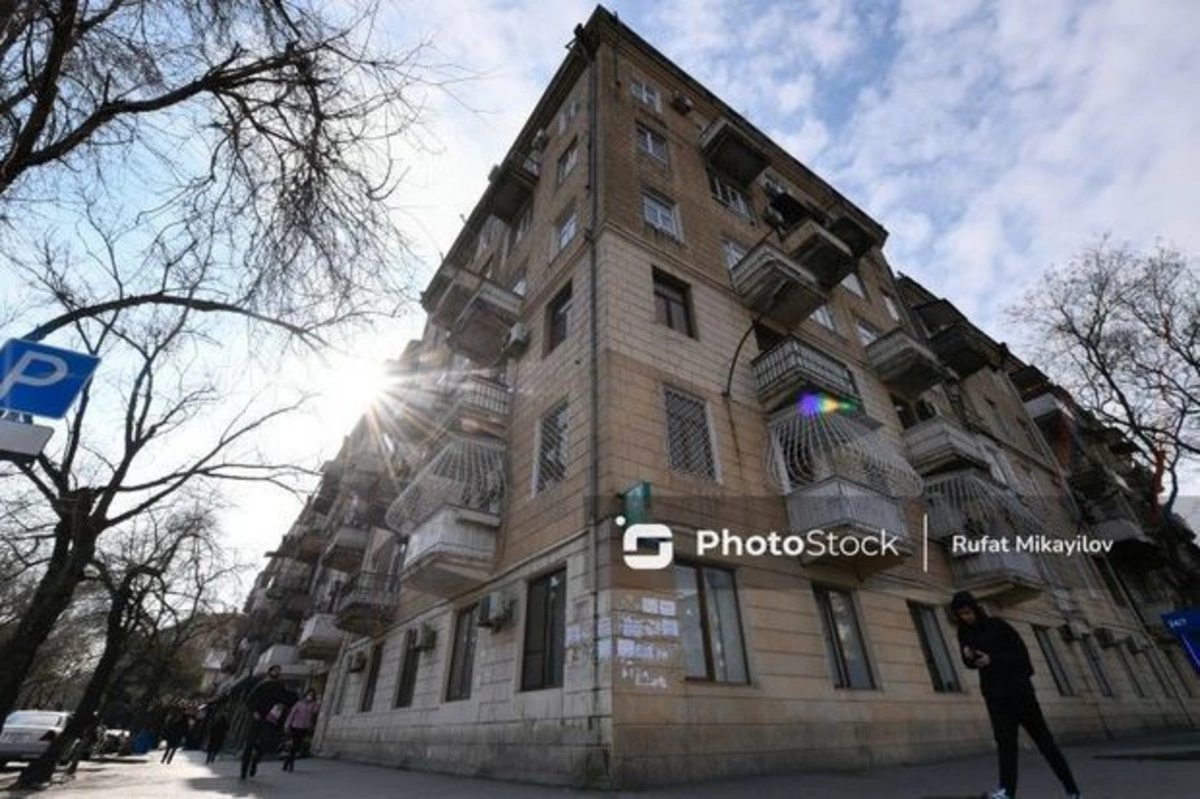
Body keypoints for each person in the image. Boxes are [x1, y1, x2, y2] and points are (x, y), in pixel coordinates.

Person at [951, 591, 1082, 799]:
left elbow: (1020, 654)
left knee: (1045, 742)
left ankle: (1072, 791)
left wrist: (993, 659)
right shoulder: (964, 633)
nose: (966, 617)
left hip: (1019, 692)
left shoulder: (998, 626)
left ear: (975, 608)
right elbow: (969, 664)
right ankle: (1006, 792)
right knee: (1005, 744)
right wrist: (969, 658)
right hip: (995, 696)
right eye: (961, 614)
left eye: (968, 612)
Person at [240, 664, 294, 779]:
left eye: (278, 671)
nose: (276, 672)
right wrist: (254, 711)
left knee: (264, 743)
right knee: (249, 744)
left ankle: (255, 761)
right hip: (257, 717)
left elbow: (286, 699)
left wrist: (282, 705)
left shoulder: (280, 686)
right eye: (274, 670)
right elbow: (250, 700)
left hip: (270, 719)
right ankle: (243, 771)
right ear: (270, 672)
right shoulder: (261, 685)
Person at [281, 689, 320, 772]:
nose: (310, 697)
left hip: (304, 727)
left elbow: (315, 711)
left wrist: (317, 702)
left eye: (312, 695)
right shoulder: (299, 703)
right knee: (293, 745)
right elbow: (292, 714)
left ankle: (287, 761)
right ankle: (290, 763)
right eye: (309, 694)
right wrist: (287, 725)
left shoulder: (312, 705)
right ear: (306, 695)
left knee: (297, 746)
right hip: (295, 726)